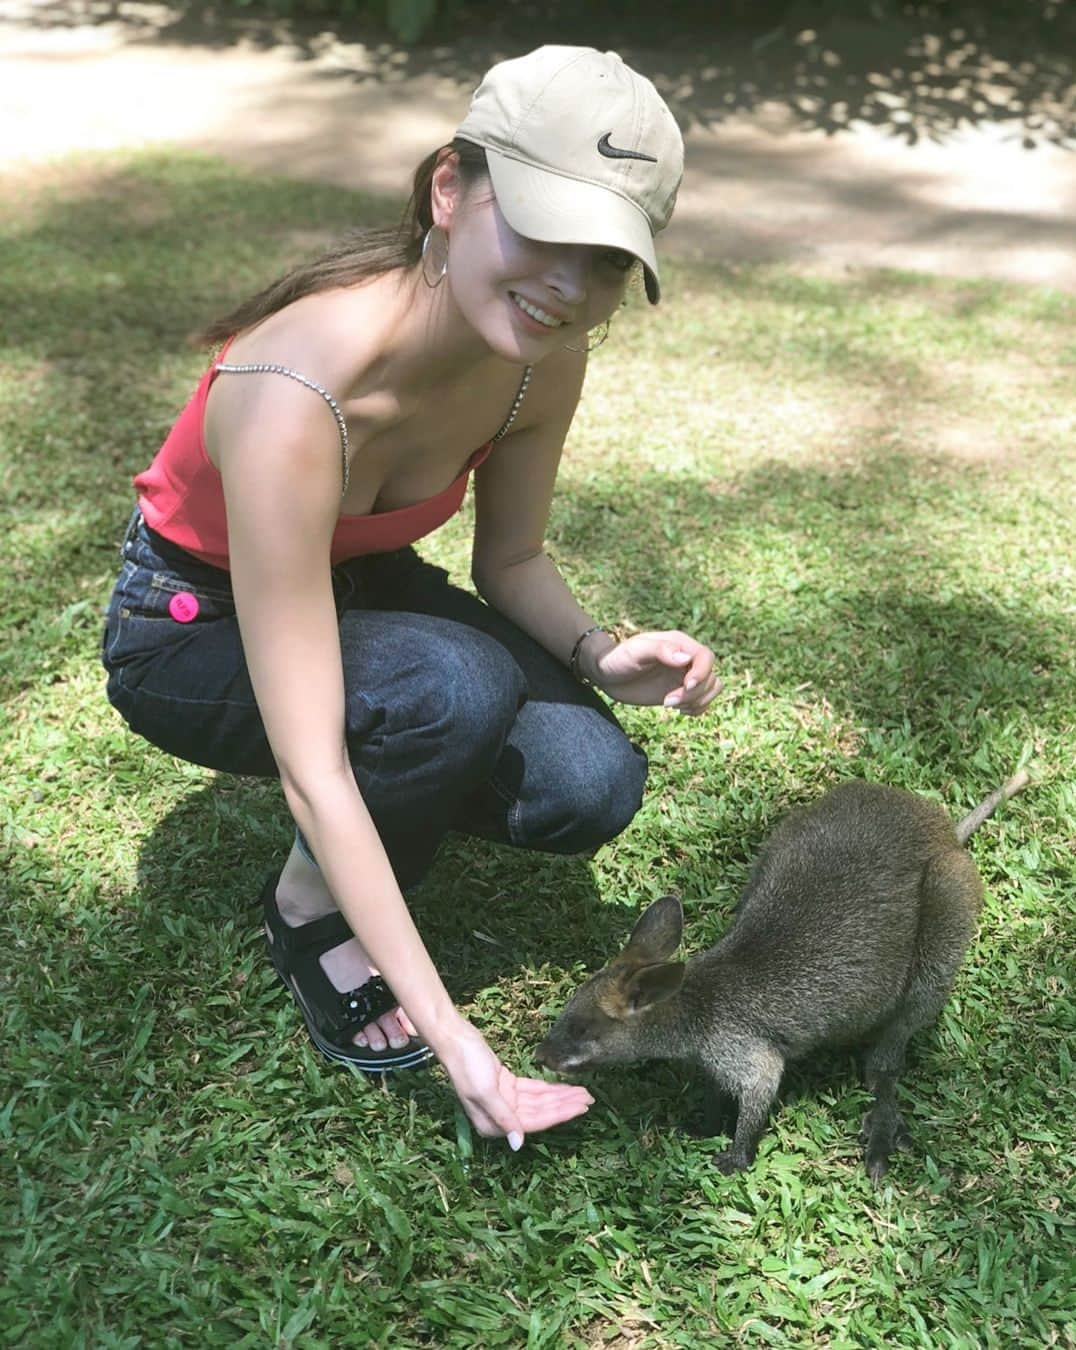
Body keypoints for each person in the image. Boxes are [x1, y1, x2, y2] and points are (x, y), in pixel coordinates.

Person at [102, 45, 719, 1152]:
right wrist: (456, 1041)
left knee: (591, 782)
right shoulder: (290, 391)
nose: (569, 287)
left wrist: (597, 652)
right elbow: (313, 765)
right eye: (542, 230)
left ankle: (410, 783)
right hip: (190, 625)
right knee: (449, 688)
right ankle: (304, 907)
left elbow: (513, 560)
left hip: (358, 587)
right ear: (449, 189)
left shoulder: (541, 353)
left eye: (607, 261)